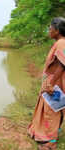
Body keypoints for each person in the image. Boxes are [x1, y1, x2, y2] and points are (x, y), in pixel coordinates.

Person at [28, 17, 65, 150]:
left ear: (57, 30)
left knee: (52, 112)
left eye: (50, 28)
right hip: (54, 83)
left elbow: (62, 65)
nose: (48, 31)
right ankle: (46, 134)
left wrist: (51, 84)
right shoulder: (60, 42)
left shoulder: (62, 43)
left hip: (55, 85)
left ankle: (50, 143)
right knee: (54, 110)